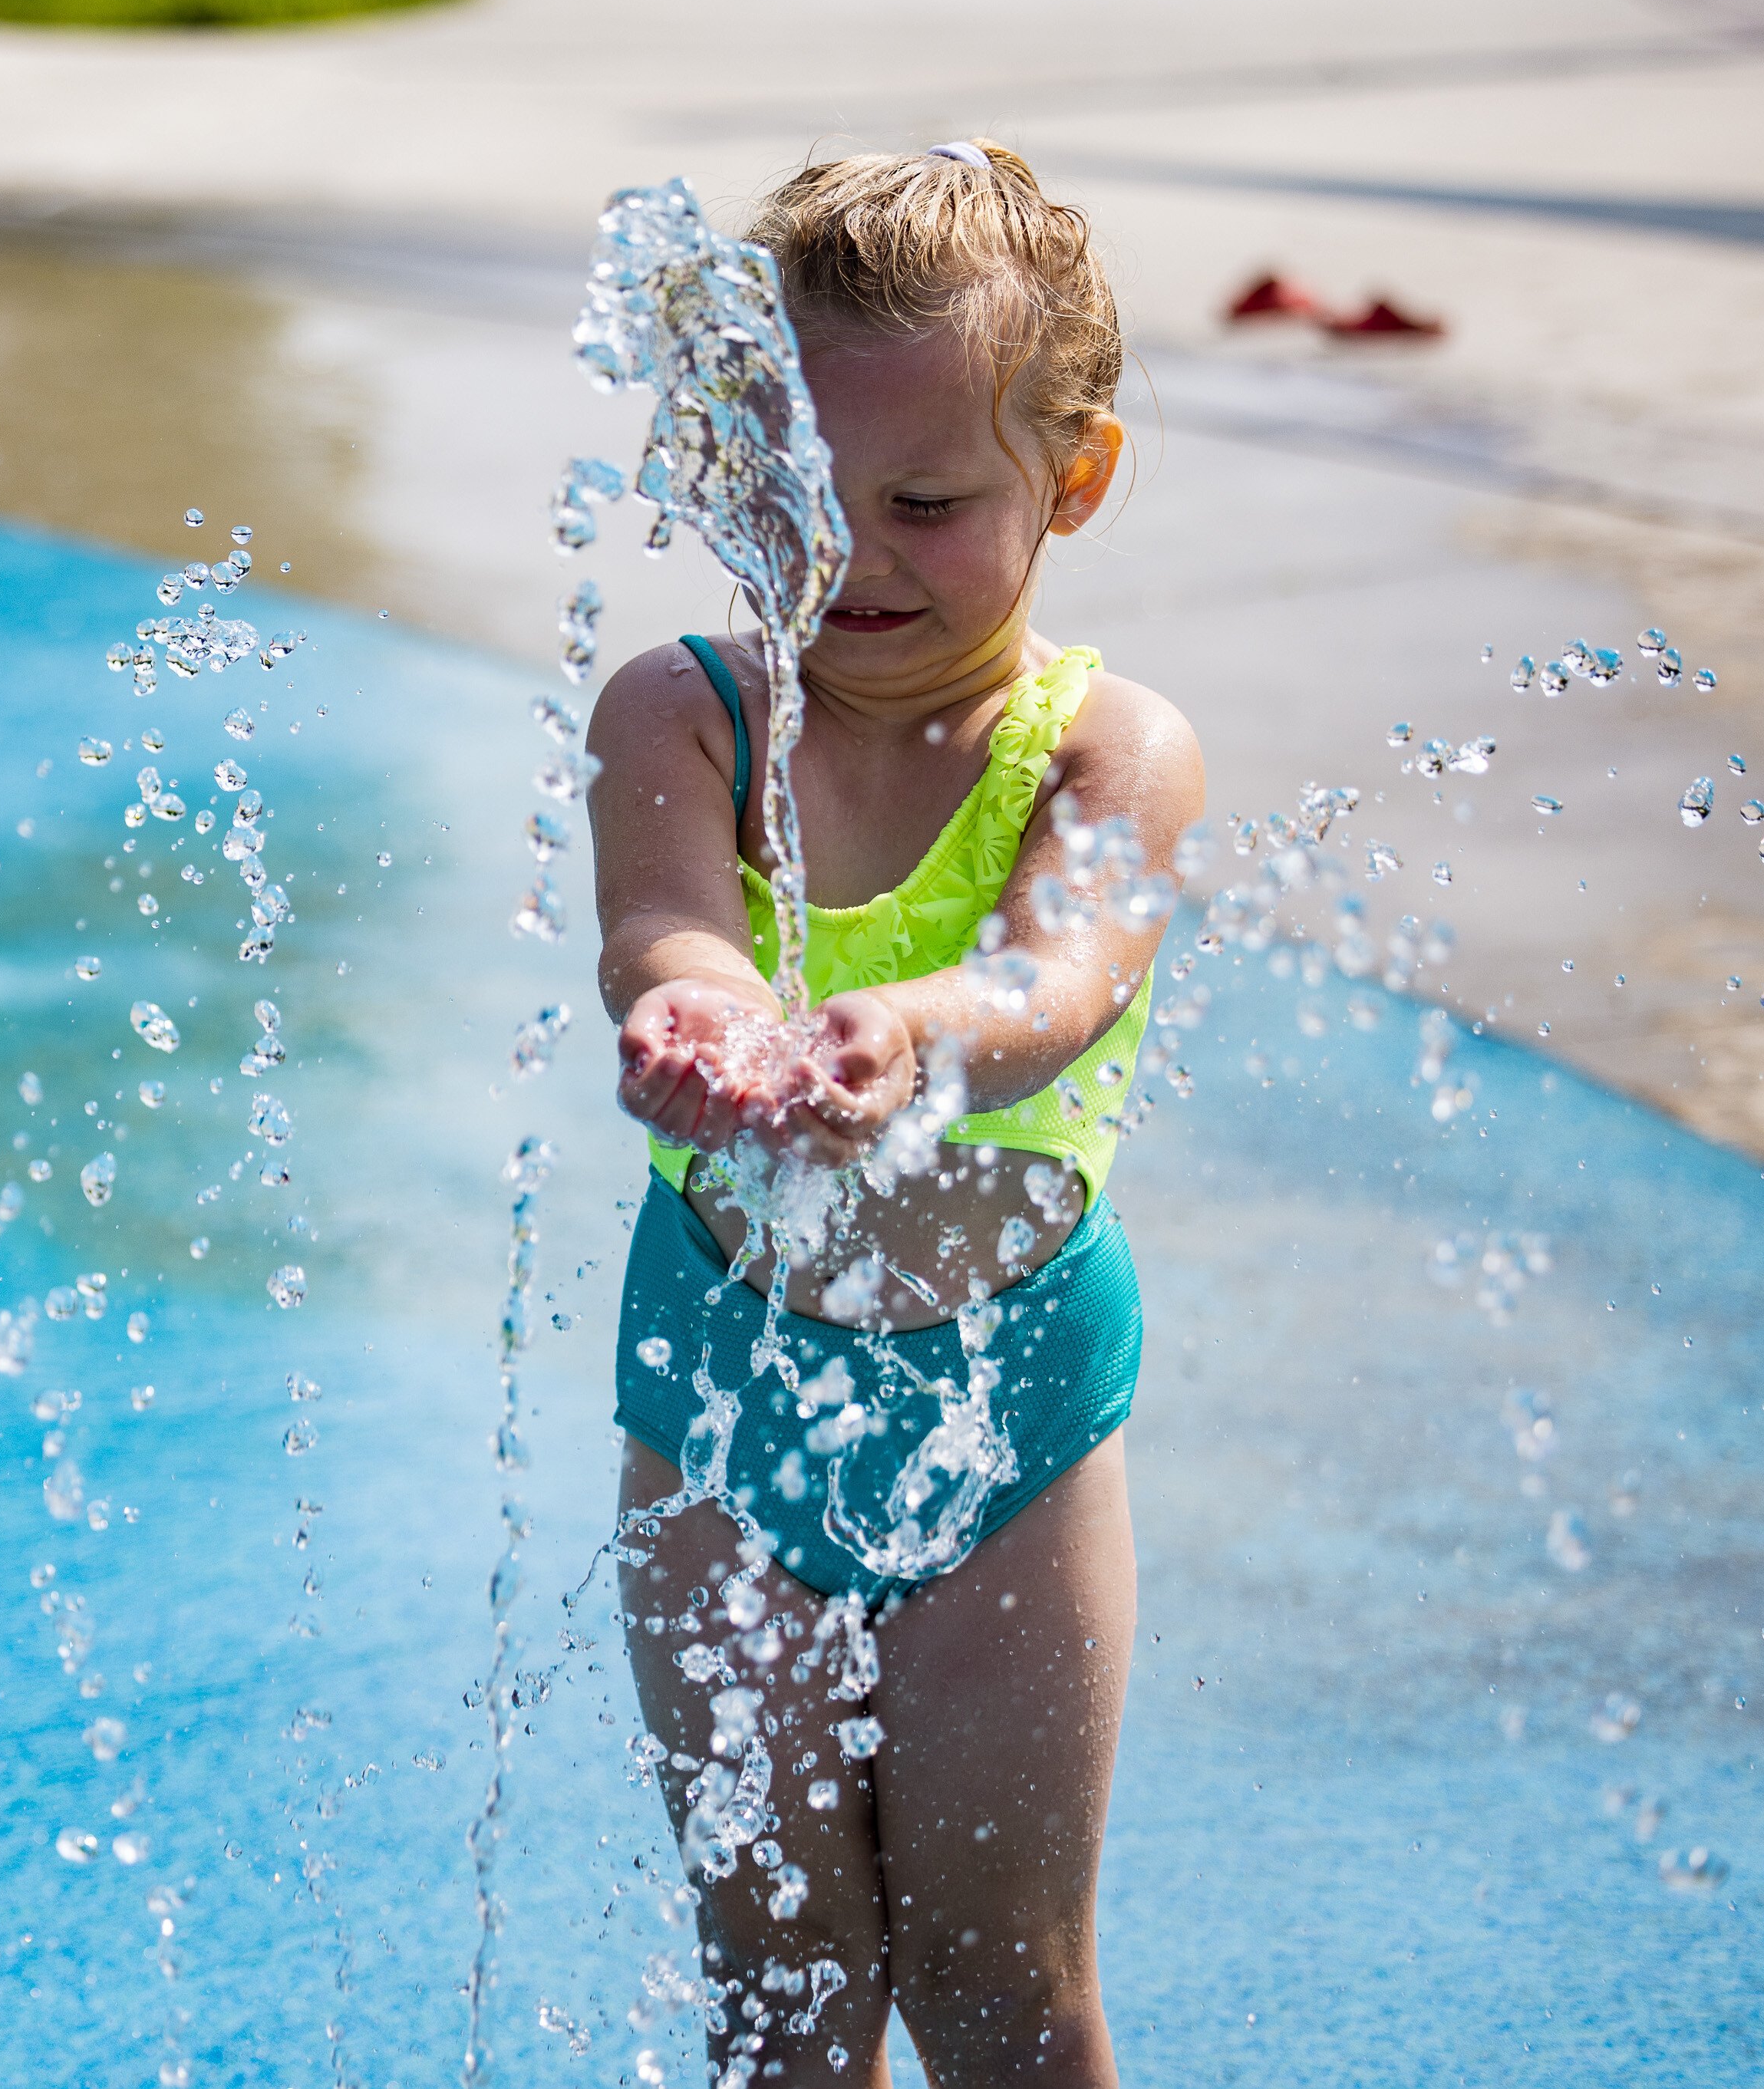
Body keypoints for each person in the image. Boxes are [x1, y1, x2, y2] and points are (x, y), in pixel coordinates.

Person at [587, 143, 1205, 2084]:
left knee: (1006, 1981)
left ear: (1072, 482)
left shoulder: (1108, 747)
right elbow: (667, 926)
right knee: (783, 1986)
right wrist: (697, 1021)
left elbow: (1061, 979)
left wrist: (914, 1028)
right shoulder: (679, 711)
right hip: (721, 1402)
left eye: (925, 503)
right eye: (791, 492)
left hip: (1009, 1406)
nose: (849, 554)